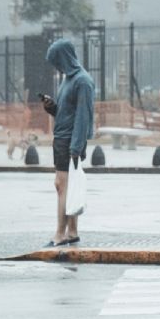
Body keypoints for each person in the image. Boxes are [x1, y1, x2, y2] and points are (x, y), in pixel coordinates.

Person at [40, 39, 95, 247]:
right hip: (63, 138)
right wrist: (51, 107)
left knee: (61, 186)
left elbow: (83, 117)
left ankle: (60, 234)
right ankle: (72, 232)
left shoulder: (82, 81)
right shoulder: (68, 80)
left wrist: (76, 147)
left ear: (65, 57)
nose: (56, 66)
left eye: (57, 61)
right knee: (67, 187)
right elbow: (66, 112)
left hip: (70, 141)